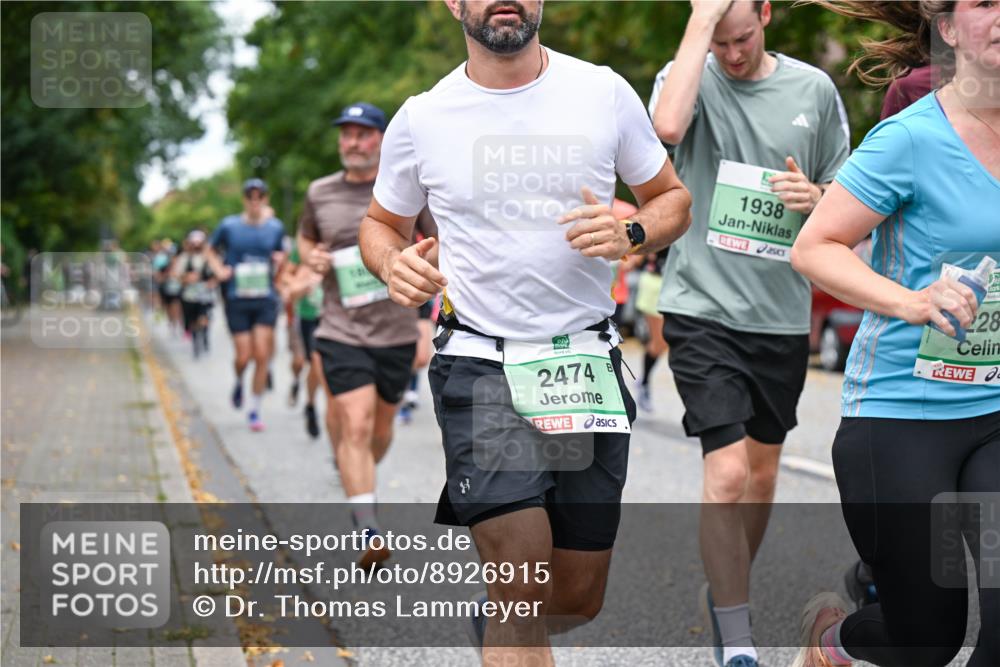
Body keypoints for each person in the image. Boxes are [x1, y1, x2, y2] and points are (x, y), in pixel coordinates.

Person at [358, 1, 692, 662]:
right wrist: (392, 264)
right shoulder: (423, 117)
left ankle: (502, 626)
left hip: (584, 365)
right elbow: (380, 224)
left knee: (575, 592)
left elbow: (672, 198)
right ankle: (510, 621)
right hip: (482, 363)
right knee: (521, 571)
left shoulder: (602, 92)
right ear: (455, 4)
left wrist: (633, 231)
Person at [790, 1, 999, 666]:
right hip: (901, 412)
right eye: (984, 3)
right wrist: (911, 301)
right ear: (946, 28)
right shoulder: (910, 138)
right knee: (926, 638)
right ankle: (833, 642)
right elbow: (815, 246)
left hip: (995, 410)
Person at [648, 1, 851, 665]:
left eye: (743, 39)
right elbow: (667, 126)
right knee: (728, 471)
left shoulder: (812, 90)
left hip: (780, 315)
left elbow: (849, 198)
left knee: (761, 476)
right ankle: (737, 638)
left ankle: (726, 584)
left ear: (766, 14)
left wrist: (816, 198)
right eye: (721, 41)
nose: (732, 56)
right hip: (701, 305)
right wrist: (699, 25)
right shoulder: (691, 74)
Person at [299, 102, 438, 568]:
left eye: (362, 134)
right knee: (355, 423)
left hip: (396, 330)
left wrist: (424, 324)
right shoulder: (319, 193)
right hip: (341, 329)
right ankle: (368, 526)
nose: (352, 143)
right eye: (346, 134)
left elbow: (437, 251)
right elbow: (306, 240)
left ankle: (358, 479)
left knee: (379, 431)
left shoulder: (406, 189)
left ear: (382, 139)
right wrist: (313, 259)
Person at [205, 179, 286, 432]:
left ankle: (254, 408)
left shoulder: (275, 227)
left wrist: (280, 260)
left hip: (264, 298)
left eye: (259, 197)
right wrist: (219, 270)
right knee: (243, 356)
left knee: (261, 354)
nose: (255, 201)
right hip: (237, 297)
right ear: (244, 200)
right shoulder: (229, 226)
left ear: (265, 199)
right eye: (250, 197)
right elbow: (209, 250)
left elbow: (281, 256)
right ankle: (239, 379)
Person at [279, 243, 324, 438]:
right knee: (304, 362)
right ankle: (302, 389)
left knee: (318, 363)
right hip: (306, 316)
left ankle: (311, 405)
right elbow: (285, 279)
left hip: (332, 316)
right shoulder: (303, 247)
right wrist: (303, 281)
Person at [176, 230, 216, 358]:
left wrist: (211, 282)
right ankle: (195, 342)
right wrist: (186, 278)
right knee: (192, 320)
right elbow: (177, 274)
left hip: (205, 293)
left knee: (204, 317)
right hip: (189, 294)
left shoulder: (209, 257)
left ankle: (204, 335)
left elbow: (216, 273)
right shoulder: (184, 258)